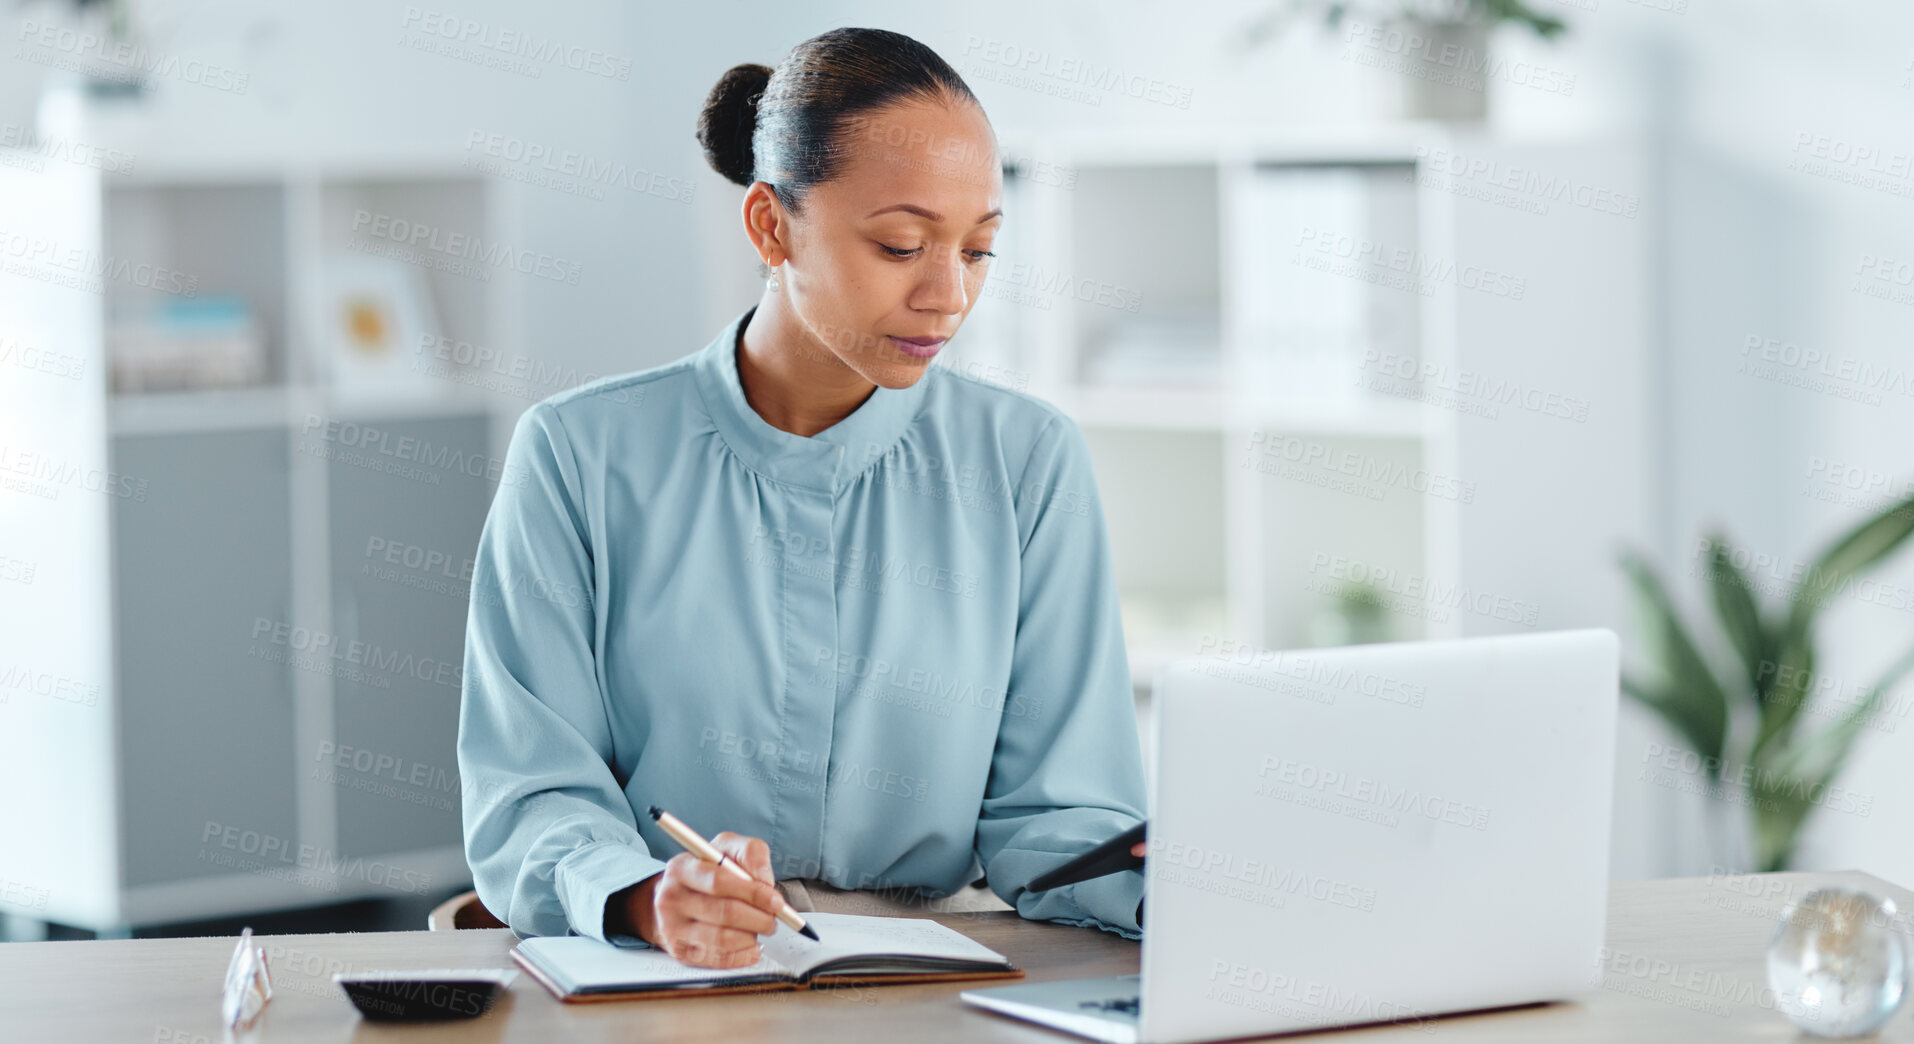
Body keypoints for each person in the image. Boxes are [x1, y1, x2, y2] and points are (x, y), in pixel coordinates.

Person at [458, 27, 1146, 969]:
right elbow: (531, 790)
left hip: (935, 985)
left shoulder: (1027, 461)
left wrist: (1187, 881)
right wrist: (645, 895)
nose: (948, 296)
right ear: (770, 226)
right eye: (902, 245)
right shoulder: (579, 458)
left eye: (978, 251)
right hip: (671, 973)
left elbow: (1061, 817)